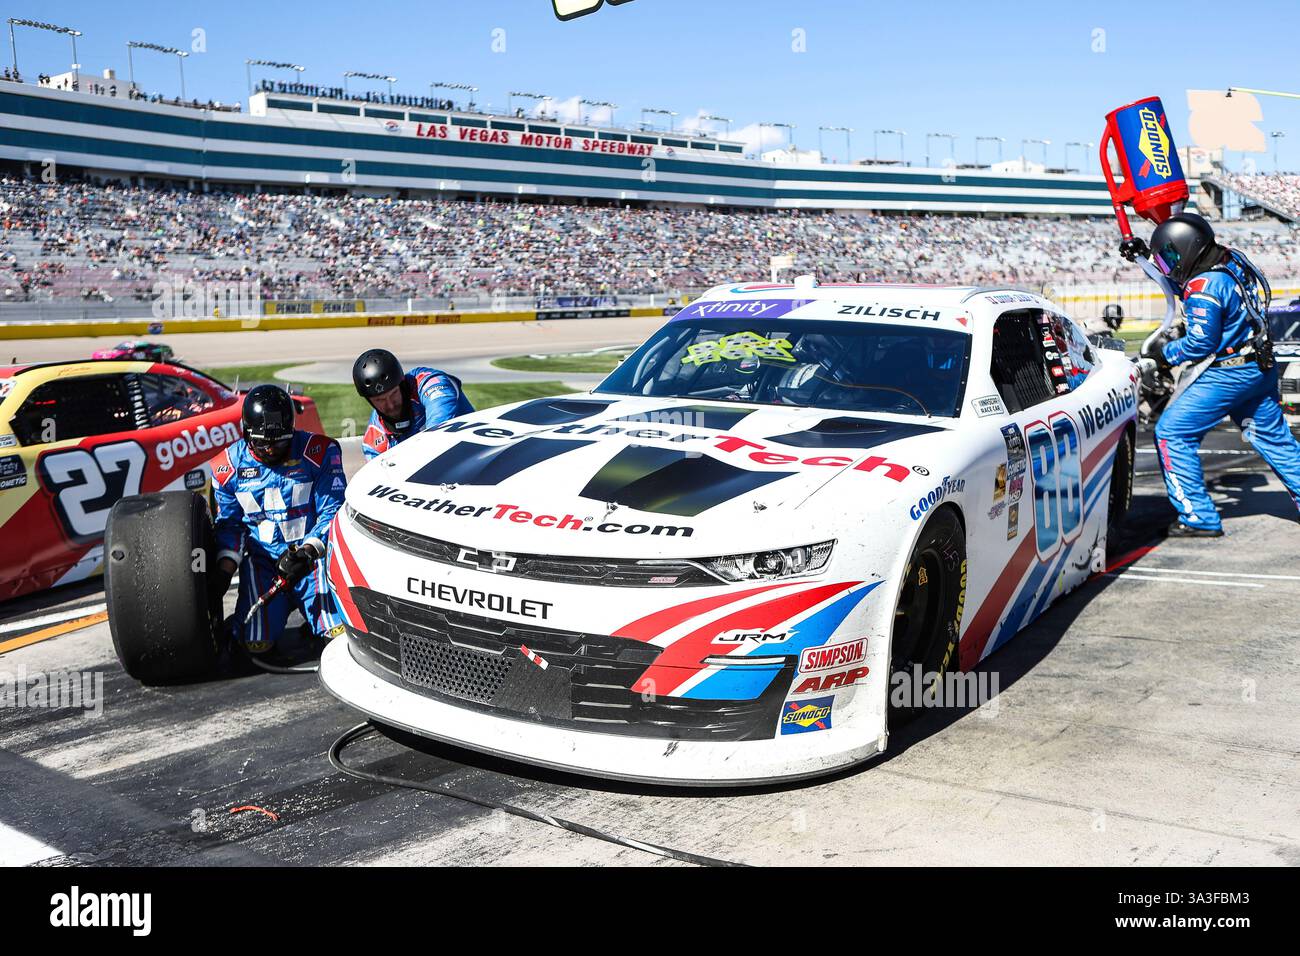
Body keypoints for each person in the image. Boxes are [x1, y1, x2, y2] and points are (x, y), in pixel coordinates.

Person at [1124, 212, 1300, 537]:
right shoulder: (1231, 260)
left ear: (1188, 248)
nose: (1168, 265)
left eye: (1170, 256)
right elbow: (1176, 282)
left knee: (1172, 434)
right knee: (1277, 443)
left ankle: (1198, 517)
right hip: (1258, 367)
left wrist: (1164, 356)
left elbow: (1200, 343)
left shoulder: (1204, 286)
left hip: (1229, 375)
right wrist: (1140, 258)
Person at [209, 385, 347, 655]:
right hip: (264, 566)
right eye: (262, 442)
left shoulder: (320, 452)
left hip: (313, 562)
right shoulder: (226, 468)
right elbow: (230, 525)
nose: (271, 449)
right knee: (255, 646)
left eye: (279, 442)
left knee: (340, 637)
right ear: (246, 432)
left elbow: (334, 510)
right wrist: (222, 574)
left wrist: (308, 552)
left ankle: (317, 622)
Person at [353, 348, 473, 459]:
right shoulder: (373, 443)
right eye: (380, 400)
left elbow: (440, 419)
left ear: (402, 384)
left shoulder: (427, 382)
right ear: (369, 401)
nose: (390, 405)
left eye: (394, 394)